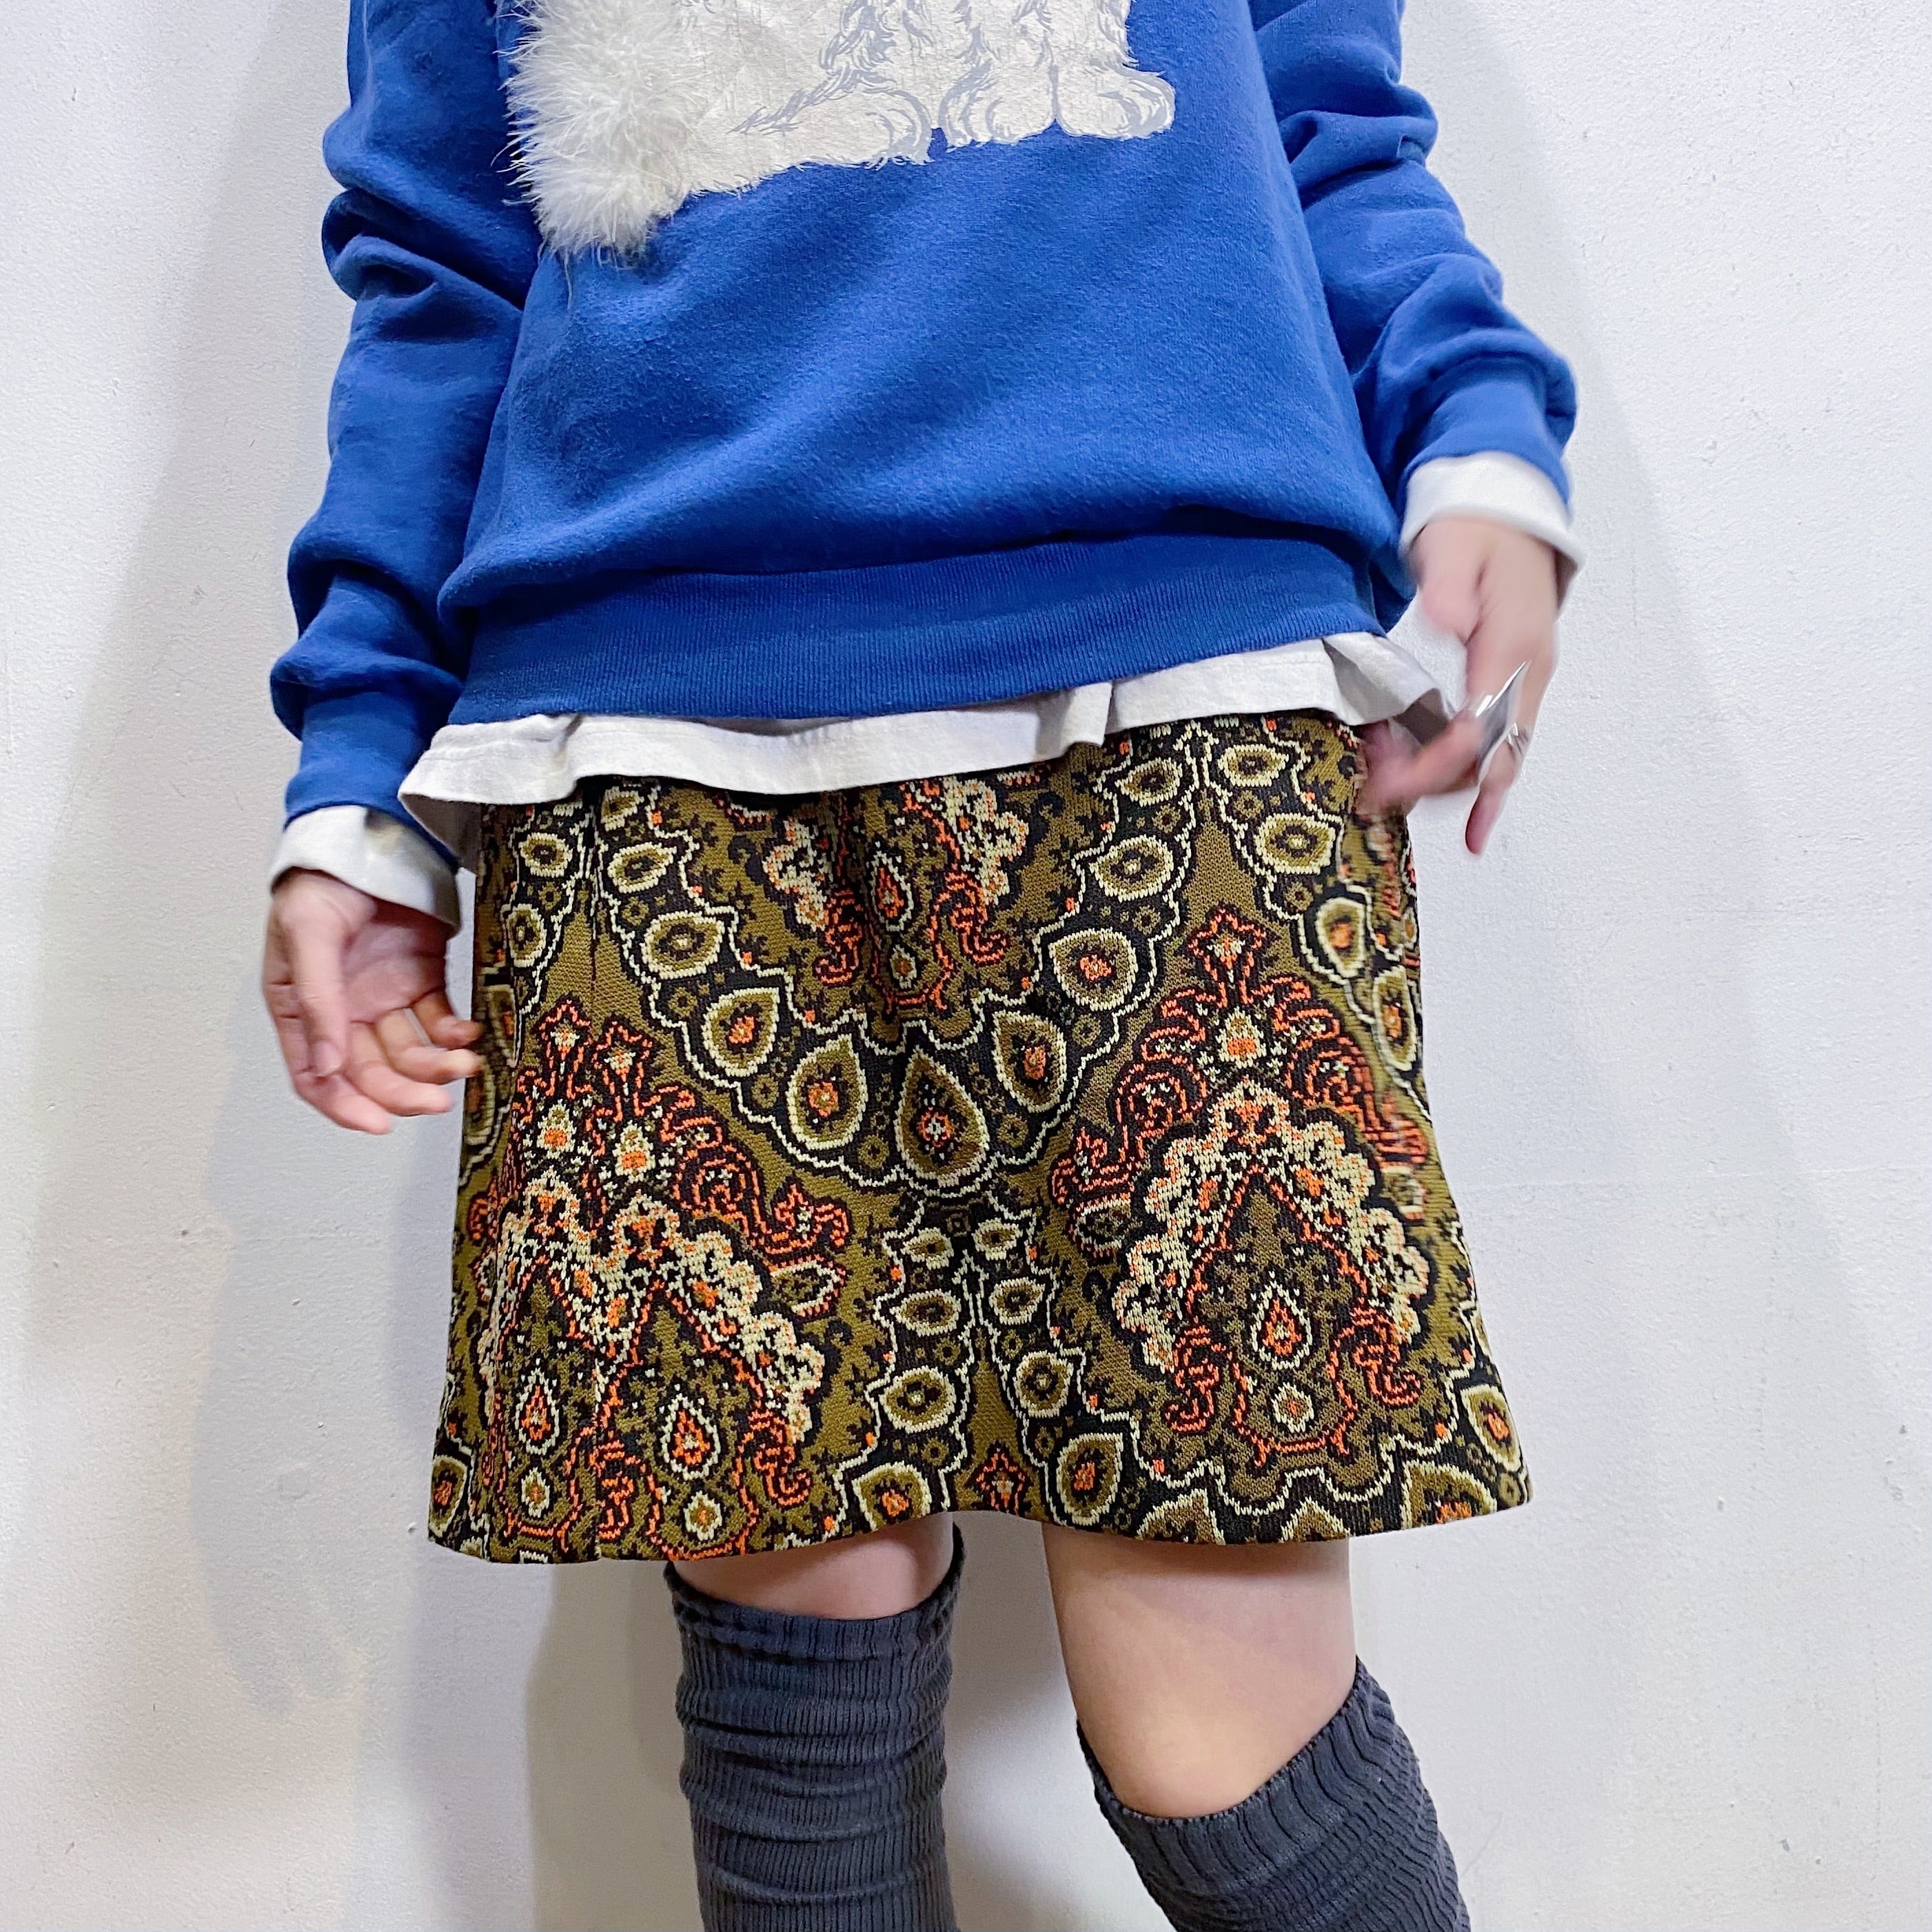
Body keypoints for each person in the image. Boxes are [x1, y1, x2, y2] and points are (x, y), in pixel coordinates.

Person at [261, 0, 1576, 1924]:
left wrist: (1474, 431)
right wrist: (362, 784)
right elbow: (442, 260)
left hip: (1180, 688)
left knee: (1223, 1728)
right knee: (801, 1683)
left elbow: (1327, 113)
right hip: (650, 743)